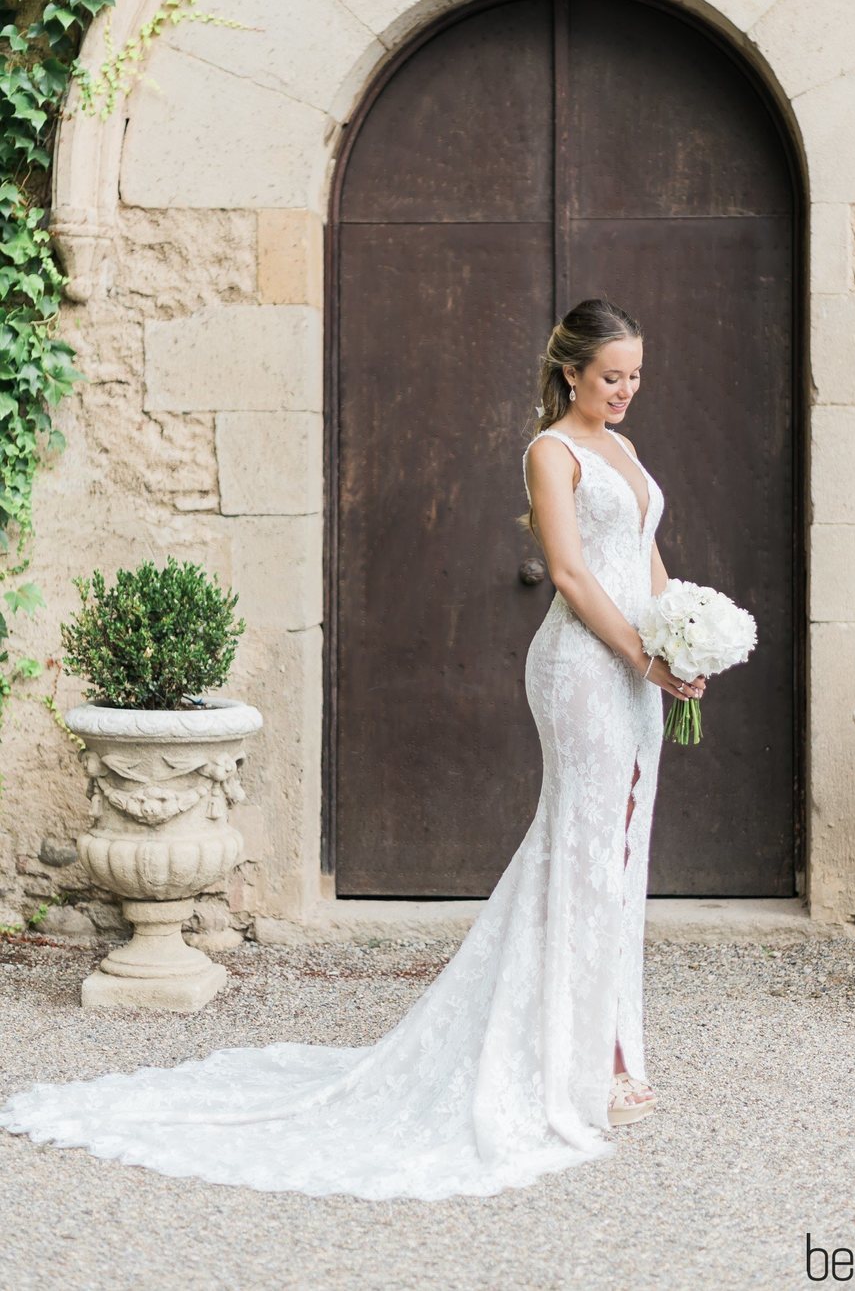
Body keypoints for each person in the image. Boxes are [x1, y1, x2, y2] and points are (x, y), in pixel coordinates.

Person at [0, 296, 705, 1202]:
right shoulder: (551, 452)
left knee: (619, 849)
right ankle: (585, 1062)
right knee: (581, 847)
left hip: (639, 670)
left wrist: (681, 640)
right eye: (612, 377)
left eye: (636, 377)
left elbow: (646, 555)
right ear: (571, 371)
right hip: (583, 668)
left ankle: (610, 1040)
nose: (626, 392)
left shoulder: (628, 452)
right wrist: (640, 652)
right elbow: (570, 574)